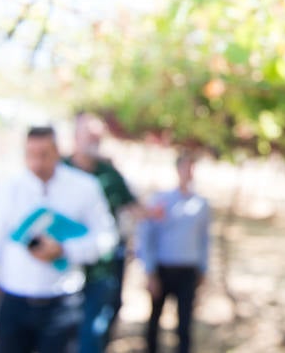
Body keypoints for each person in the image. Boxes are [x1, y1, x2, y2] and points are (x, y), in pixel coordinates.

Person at [0, 125, 118, 353]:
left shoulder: (84, 188)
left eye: (44, 154)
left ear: (57, 151)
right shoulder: (9, 190)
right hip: (15, 303)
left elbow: (107, 237)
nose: (37, 163)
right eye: (31, 155)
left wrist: (65, 249)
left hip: (62, 304)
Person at [65, 112, 150, 353]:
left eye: (97, 136)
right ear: (75, 136)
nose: (93, 140)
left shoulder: (109, 174)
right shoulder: (60, 171)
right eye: (88, 135)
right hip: (64, 266)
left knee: (95, 328)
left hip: (102, 265)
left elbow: (133, 207)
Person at [138, 152, 210, 353]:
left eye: (191, 168)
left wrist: (203, 268)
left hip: (188, 270)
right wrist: (149, 271)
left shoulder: (201, 204)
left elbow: (204, 239)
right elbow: (147, 236)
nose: (188, 172)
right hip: (164, 269)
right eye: (185, 167)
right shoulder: (161, 200)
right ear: (177, 170)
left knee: (185, 322)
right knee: (155, 319)